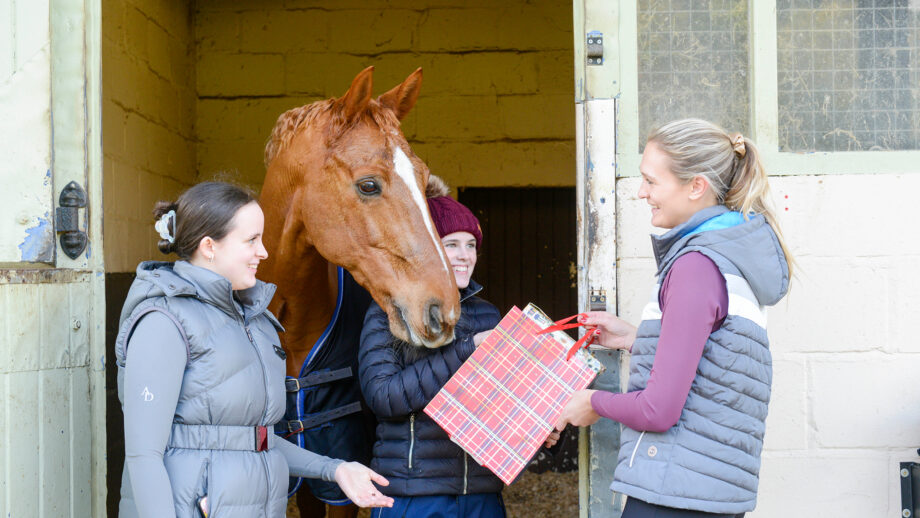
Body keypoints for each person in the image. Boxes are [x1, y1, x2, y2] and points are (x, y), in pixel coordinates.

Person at [114, 181, 394, 518]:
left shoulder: (256, 323)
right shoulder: (163, 322)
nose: (264, 252)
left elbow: (257, 441)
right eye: (251, 240)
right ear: (209, 246)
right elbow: (144, 455)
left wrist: (334, 469)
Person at [557, 119, 793, 518]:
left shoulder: (696, 265)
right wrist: (635, 338)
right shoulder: (734, 257)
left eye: (651, 181)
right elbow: (716, 356)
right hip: (711, 494)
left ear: (696, 186)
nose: (641, 192)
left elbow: (658, 411)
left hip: (672, 496)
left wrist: (591, 402)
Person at [357, 193, 508, 518]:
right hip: (415, 495)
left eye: (471, 245)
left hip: (482, 494)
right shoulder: (389, 310)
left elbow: (503, 403)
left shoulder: (488, 314)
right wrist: (467, 349)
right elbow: (384, 397)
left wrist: (547, 428)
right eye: (452, 244)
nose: (465, 255)